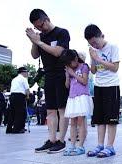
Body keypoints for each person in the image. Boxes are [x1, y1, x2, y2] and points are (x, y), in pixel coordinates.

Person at [26, 9, 70, 153]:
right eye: (36, 27)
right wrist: (35, 42)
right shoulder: (41, 37)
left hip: (61, 73)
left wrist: (39, 42)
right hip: (48, 74)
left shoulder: (62, 32)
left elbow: (58, 52)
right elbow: (34, 55)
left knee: (61, 109)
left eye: (40, 25)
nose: (39, 28)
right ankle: (51, 140)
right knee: (50, 110)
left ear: (47, 19)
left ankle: (61, 141)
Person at [84, 24, 120, 158]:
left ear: (102, 36)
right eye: (90, 43)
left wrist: (98, 58)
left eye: (95, 42)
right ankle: (100, 145)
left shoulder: (113, 47)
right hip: (98, 86)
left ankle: (110, 147)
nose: (94, 45)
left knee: (111, 118)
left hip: (111, 85)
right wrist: (93, 58)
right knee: (99, 118)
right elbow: (93, 71)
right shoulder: (93, 51)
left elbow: (115, 68)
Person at [60, 49, 93, 156]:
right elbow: (67, 86)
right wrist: (67, 74)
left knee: (81, 122)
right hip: (72, 97)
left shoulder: (84, 66)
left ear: (75, 58)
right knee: (72, 122)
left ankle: (81, 145)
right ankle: (72, 145)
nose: (70, 65)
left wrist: (73, 73)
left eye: (70, 62)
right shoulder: (70, 69)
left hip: (82, 96)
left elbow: (84, 81)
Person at [6, 67, 30, 134]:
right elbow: (27, 89)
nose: (27, 74)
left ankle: (9, 129)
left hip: (12, 96)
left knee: (12, 113)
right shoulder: (24, 79)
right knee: (20, 113)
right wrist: (27, 97)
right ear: (23, 72)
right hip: (19, 96)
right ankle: (17, 129)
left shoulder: (14, 79)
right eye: (26, 72)